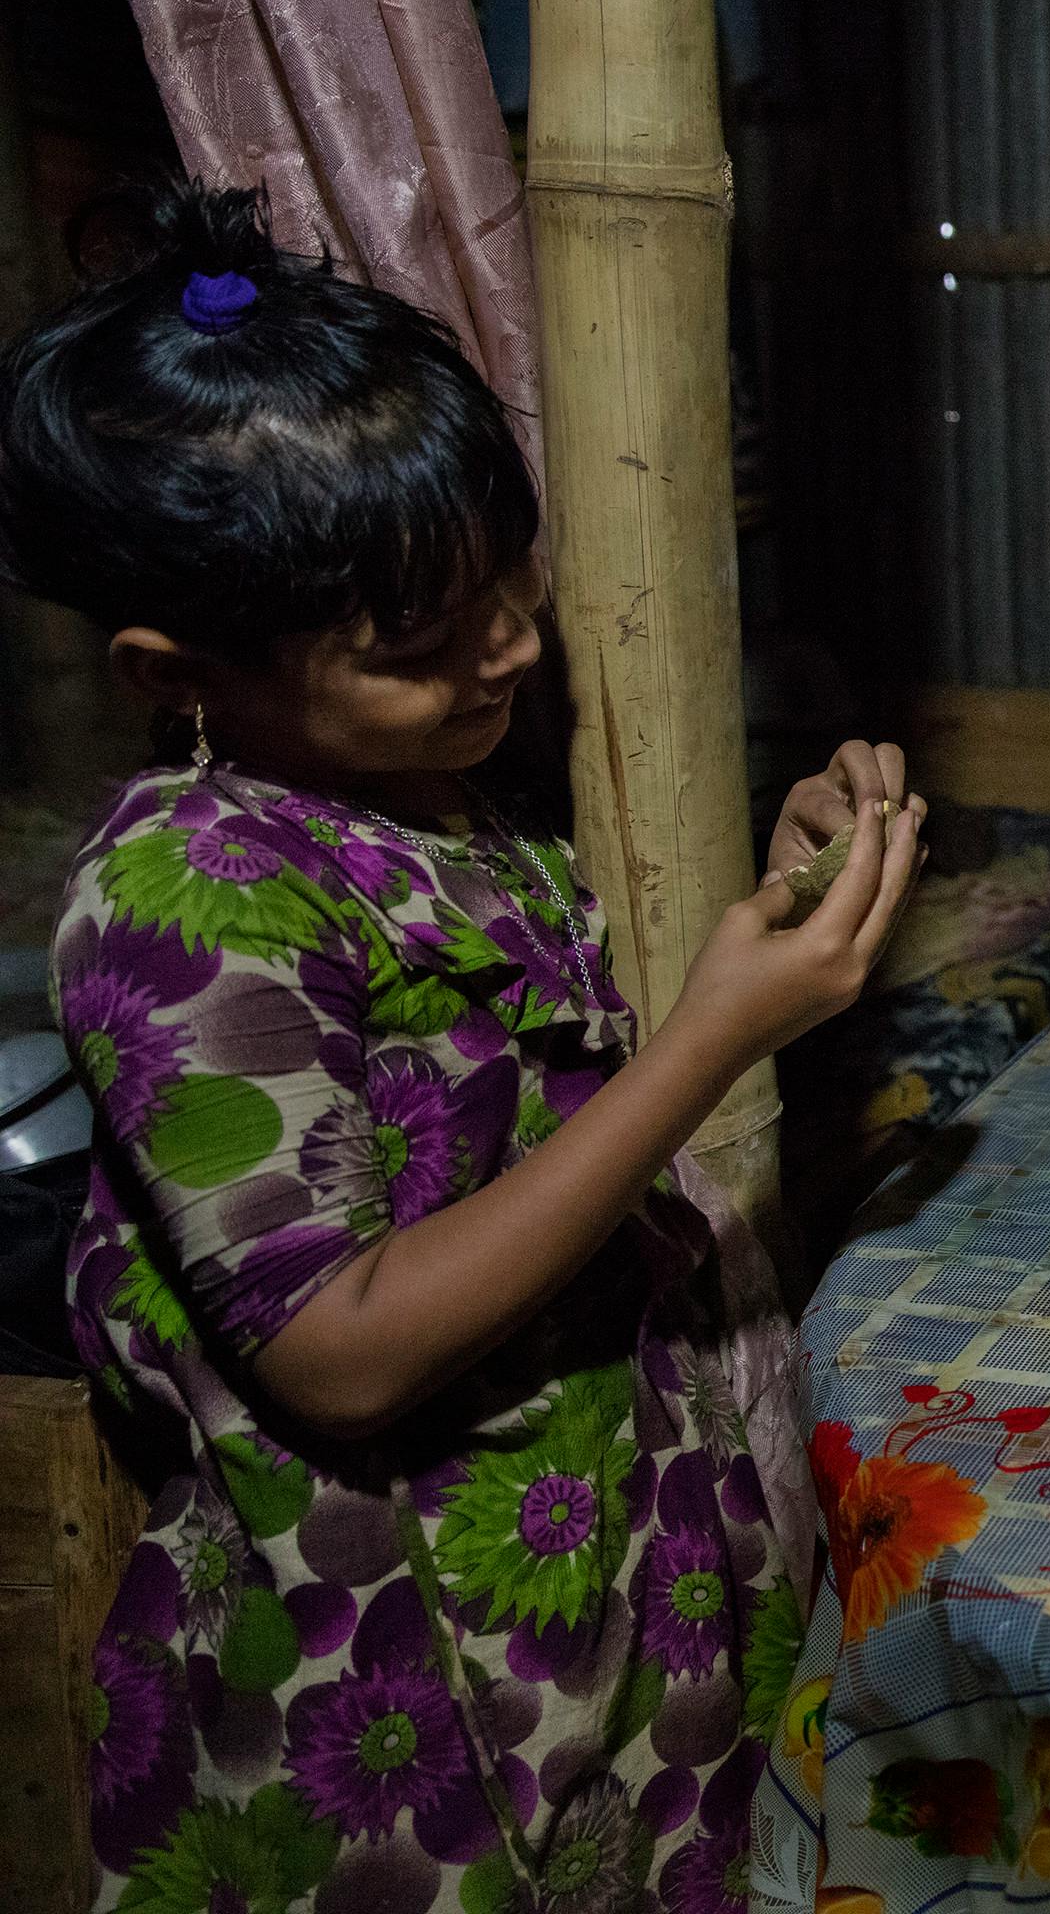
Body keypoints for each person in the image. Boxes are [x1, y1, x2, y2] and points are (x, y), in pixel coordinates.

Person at [3, 186, 926, 1914]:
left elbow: (521, 1118)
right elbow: (340, 1356)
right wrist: (714, 1042)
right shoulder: (181, 902)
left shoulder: (432, 800)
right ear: (175, 672)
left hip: (605, 1577)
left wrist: (776, 887)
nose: (508, 648)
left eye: (510, 587)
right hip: (399, 1671)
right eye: (425, 646)